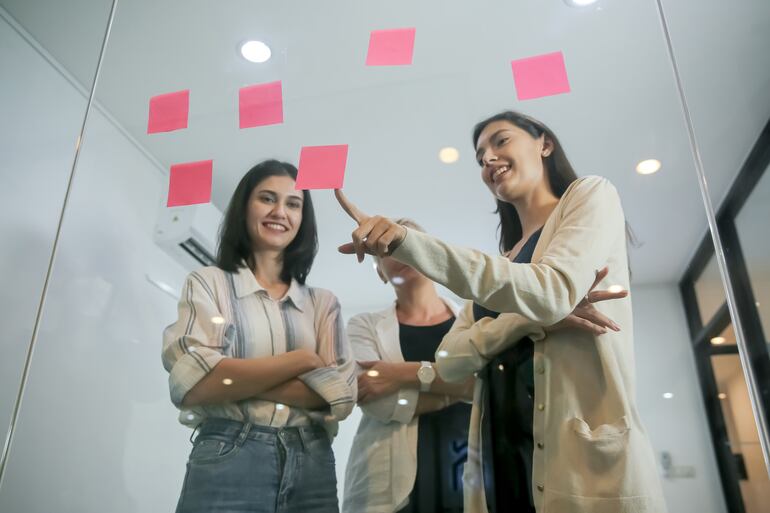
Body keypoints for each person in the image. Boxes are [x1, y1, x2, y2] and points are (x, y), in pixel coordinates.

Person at [335, 111, 667, 513]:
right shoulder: (504, 263)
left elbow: (553, 290)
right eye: (479, 157)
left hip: (577, 462)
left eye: (500, 141)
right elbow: (450, 360)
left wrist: (410, 242)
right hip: (500, 457)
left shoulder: (591, 194)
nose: (488, 158)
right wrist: (527, 322)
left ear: (544, 143)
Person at [162, 159, 356, 513]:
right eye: (267, 198)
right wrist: (302, 361)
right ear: (244, 207)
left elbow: (340, 397)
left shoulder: (323, 303)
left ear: (302, 218)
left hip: (312, 461)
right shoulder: (209, 282)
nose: (280, 211)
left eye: (293, 204)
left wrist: (228, 376)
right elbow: (189, 385)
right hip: (228, 450)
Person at [342, 218, 473, 513]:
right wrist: (461, 388)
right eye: (387, 249)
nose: (400, 252)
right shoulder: (364, 325)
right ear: (379, 271)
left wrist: (401, 374)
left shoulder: (473, 319)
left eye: (407, 242)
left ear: (431, 255)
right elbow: (378, 403)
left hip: (466, 469)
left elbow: (488, 385)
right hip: (389, 487)